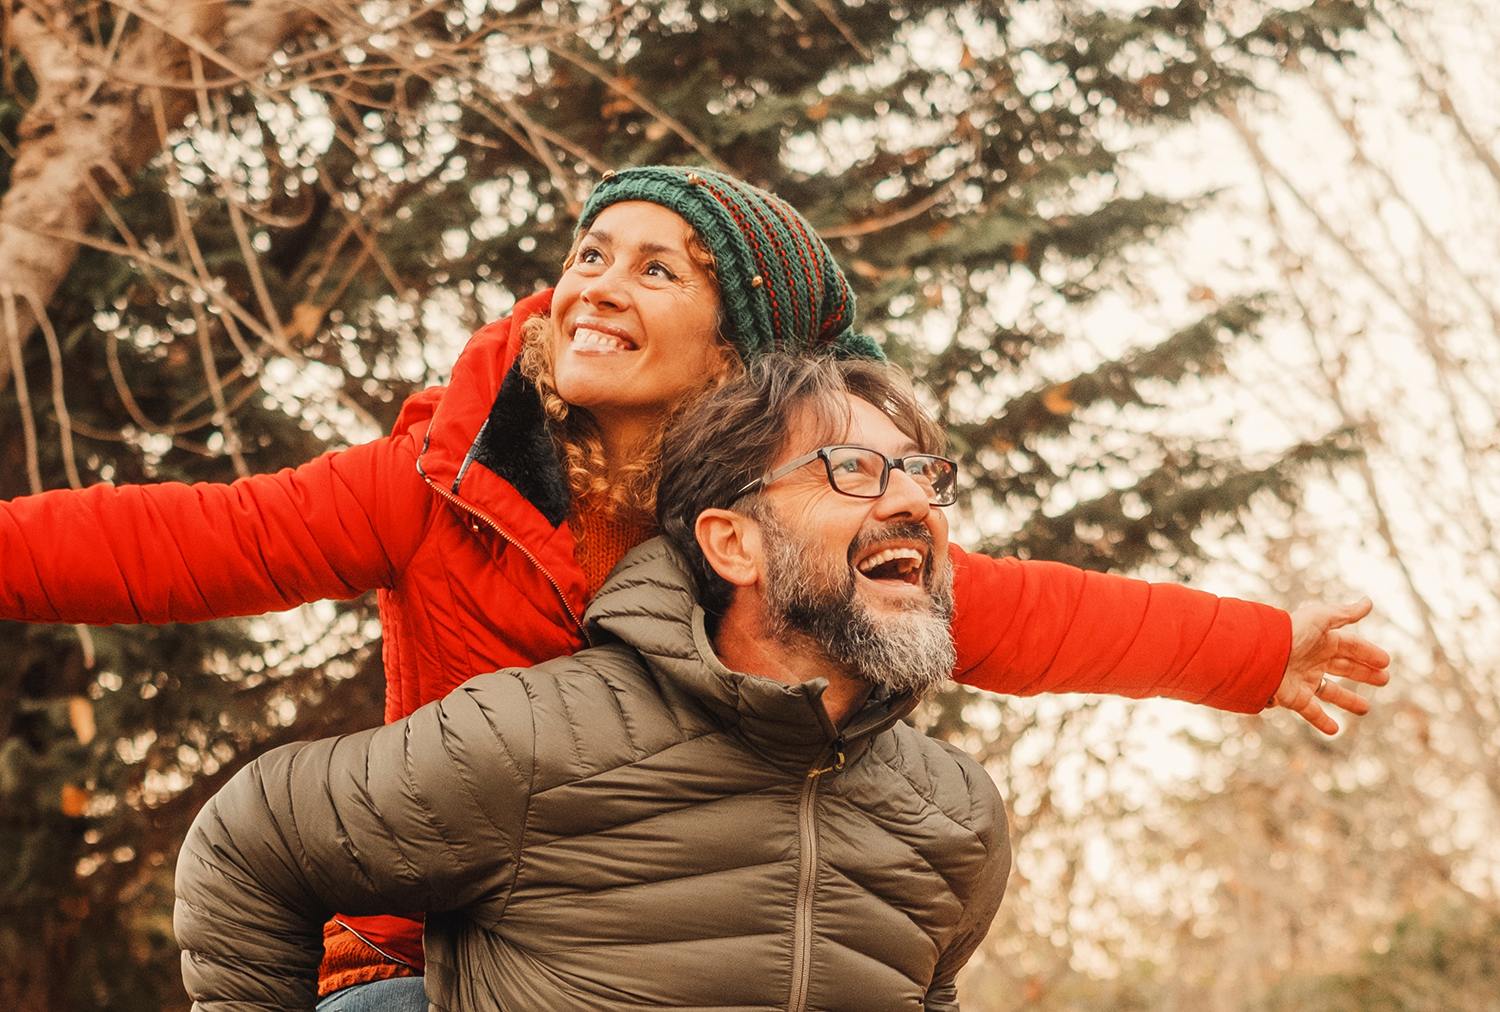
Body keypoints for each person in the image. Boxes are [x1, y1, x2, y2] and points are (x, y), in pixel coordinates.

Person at [0, 167, 1389, 995]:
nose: (594, 284)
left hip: (646, 946)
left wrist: (1256, 651)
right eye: (588, 253)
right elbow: (181, 540)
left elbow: (1014, 610)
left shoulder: (774, 520)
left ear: (737, 352)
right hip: (420, 958)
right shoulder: (437, 481)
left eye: (657, 269)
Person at [174, 356, 1014, 1012]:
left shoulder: (956, 817)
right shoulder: (538, 738)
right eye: (857, 469)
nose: (914, 502)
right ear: (733, 545)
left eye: (922, 474)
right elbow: (252, 844)